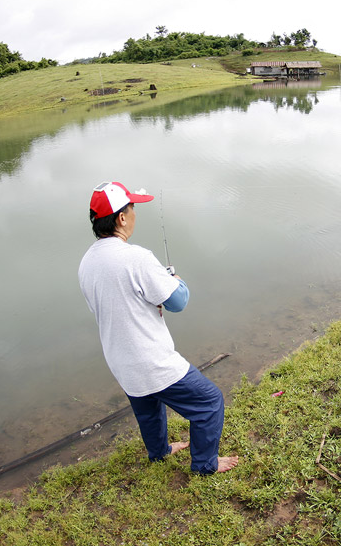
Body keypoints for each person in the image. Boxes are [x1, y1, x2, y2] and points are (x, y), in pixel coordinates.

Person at [78, 181, 239, 474]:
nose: (135, 212)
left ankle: (160, 452)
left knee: (148, 408)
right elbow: (178, 302)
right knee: (209, 402)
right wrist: (176, 279)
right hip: (152, 360)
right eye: (133, 207)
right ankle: (205, 464)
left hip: (120, 360)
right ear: (122, 218)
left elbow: (114, 303)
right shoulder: (137, 257)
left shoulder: (86, 262)